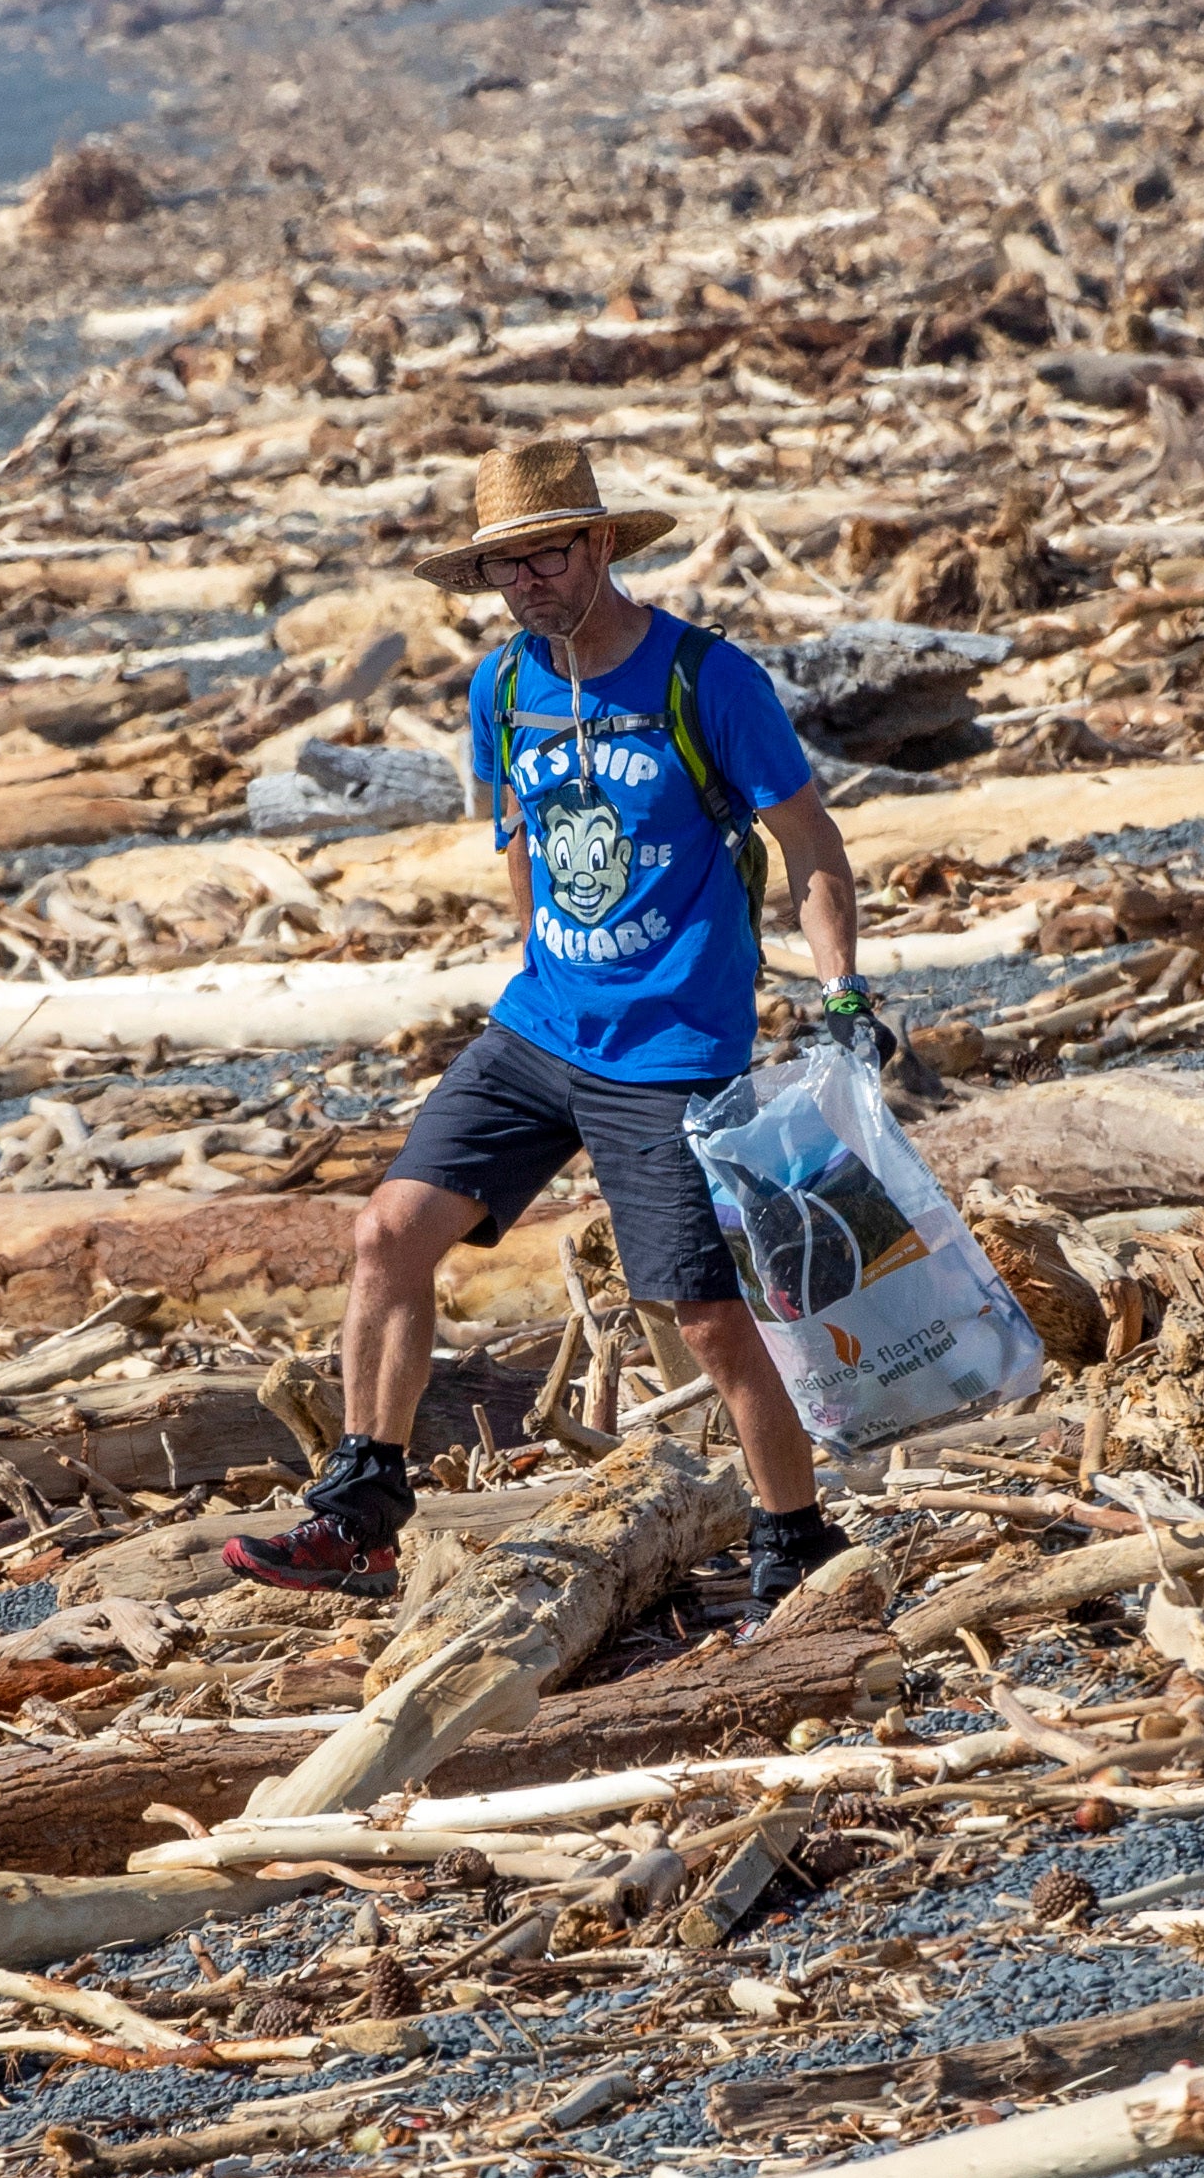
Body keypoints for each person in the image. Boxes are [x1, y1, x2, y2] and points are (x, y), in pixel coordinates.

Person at [225, 439, 881, 1613]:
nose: (524, 582)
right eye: (502, 566)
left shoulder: (705, 680)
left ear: (597, 546)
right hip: (536, 1033)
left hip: (673, 1052)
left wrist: (841, 1001)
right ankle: (360, 1510)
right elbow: (522, 839)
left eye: (543, 555)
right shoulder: (503, 687)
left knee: (708, 1322)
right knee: (386, 1235)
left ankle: (796, 1541)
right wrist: (544, 960)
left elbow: (811, 848)